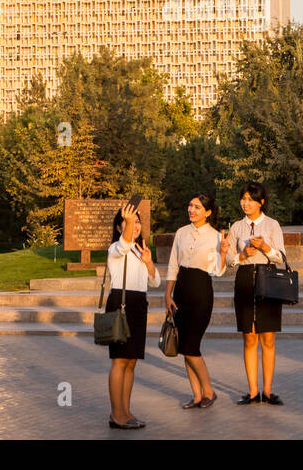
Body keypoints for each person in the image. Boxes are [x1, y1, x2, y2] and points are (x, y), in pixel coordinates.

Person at [164, 192, 229, 409]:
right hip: (180, 291)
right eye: (190, 205)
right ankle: (196, 396)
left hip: (201, 293)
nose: (192, 210)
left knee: (191, 347)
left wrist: (223, 252)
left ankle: (209, 391)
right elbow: (173, 264)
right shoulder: (181, 233)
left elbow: (218, 272)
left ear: (208, 212)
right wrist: (167, 294)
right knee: (184, 346)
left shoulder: (216, 236)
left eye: (197, 207)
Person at [224, 181, 287, 405]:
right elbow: (229, 261)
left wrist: (265, 248)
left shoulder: (272, 225)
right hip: (244, 279)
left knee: (267, 339)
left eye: (251, 199)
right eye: (243, 199)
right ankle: (252, 391)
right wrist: (242, 255)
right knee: (249, 337)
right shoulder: (237, 227)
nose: (246, 203)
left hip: (268, 279)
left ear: (261, 202)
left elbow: (281, 257)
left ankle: (268, 391)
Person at [105, 198, 160, 430]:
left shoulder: (140, 250)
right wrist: (127, 224)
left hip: (138, 305)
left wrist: (148, 263)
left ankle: (126, 412)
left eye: (137, 222)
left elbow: (155, 281)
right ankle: (116, 414)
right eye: (129, 222)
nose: (135, 226)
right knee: (119, 361)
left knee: (131, 363)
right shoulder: (117, 249)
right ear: (119, 227)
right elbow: (123, 245)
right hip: (120, 303)